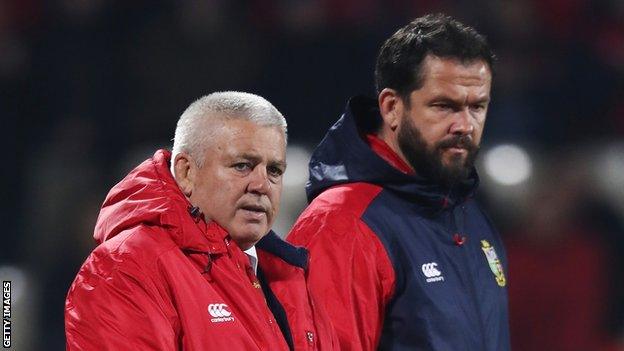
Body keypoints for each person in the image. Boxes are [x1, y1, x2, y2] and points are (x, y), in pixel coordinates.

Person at [287, 14, 510, 350]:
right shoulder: (342, 224)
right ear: (392, 107)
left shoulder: (467, 212)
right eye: (444, 106)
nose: (465, 125)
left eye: (477, 106)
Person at [65, 92, 337, 350]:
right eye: (242, 166)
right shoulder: (126, 267)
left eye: (274, 170)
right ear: (186, 172)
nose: (262, 184)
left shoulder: (291, 274)